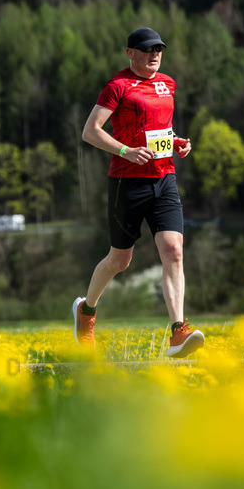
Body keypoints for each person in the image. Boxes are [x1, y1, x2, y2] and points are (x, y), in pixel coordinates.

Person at [72, 27, 204, 358]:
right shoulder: (117, 86)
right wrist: (125, 151)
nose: (154, 54)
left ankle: (178, 332)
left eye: (158, 49)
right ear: (130, 53)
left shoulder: (168, 84)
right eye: (146, 50)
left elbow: (161, 129)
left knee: (174, 250)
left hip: (164, 178)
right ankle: (86, 312)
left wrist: (176, 143)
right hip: (127, 183)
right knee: (120, 259)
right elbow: (91, 132)